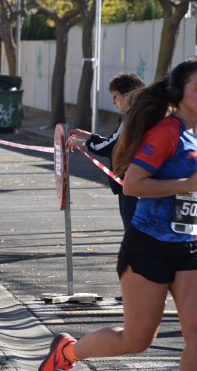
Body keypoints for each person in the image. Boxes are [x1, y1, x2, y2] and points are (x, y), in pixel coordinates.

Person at [38, 59, 197, 371]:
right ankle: (67, 352)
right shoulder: (167, 132)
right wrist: (188, 184)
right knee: (137, 340)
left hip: (188, 246)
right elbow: (134, 185)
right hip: (149, 246)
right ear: (178, 93)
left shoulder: (194, 134)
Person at [67, 74, 145, 233]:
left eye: (115, 96)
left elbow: (110, 147)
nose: (113, 101)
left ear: (128, 96)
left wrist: (83, 142)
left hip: (131, 183)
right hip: (137, 182)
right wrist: (89, 136)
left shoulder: (132, 117)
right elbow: (114, 142)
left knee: (133, 234)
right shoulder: (139, 115)